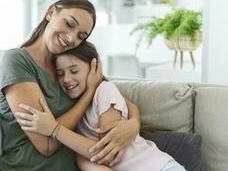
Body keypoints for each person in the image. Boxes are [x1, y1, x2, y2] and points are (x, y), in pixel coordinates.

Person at [0, 0, 140, 170]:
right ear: (50, 12)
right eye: (69, 24)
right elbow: (46, 144)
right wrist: (88, 93)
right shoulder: (17, 61)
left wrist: (134, 124)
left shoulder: (68, 63)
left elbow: (115, 96)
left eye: (81, 36)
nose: (72, 39)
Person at [15, 41, 187, 171]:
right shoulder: (72, 107)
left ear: (94, 67)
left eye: (74, 71)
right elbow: (85, 156)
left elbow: (106, 152)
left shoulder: (105, 90)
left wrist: (54, 129)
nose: (67, 79)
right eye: (60, 74)